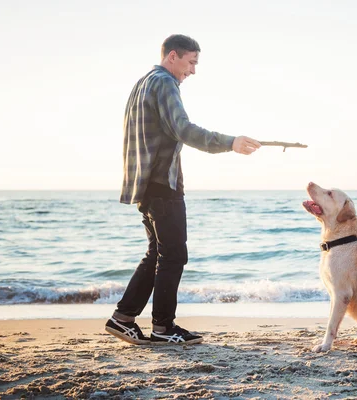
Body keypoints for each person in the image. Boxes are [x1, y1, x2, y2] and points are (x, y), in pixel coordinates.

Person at [105, 34, 261, 345]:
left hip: (146, 182)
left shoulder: (144, 82)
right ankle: (164, 328)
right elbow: (184, 129)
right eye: (191, 63)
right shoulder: (164, 82)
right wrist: (230, 142)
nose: (192, 71)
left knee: (158, 253)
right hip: (163, 183)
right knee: (174, 255)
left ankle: (122, 319)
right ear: (173, 56)